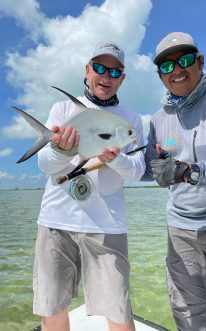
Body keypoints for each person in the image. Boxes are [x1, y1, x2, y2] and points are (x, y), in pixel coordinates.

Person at [33, 41, 145, 331]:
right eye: (99, 68)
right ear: (87, 69)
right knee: (53, 308)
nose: (105, 76)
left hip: (107, 226)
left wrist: (115, 159)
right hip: (56, 222)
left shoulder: (132, 120)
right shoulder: (62, 109)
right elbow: (45, 166)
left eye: (114, 71)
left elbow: (137, 170)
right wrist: (61, 151)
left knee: (119, 311)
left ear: (123, 77)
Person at [143, 32, 206, 331]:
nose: (176, 70)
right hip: (180, 231)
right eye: (166, 66)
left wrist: (189, 172)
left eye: (184, 60)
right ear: (159, 75)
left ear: (200, 61)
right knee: (189, 321)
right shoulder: (157, 119)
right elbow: (153, 171)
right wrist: (110, 160)